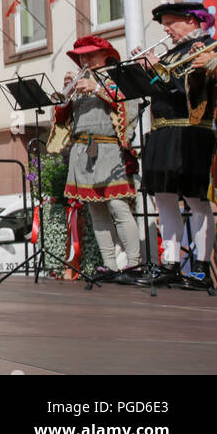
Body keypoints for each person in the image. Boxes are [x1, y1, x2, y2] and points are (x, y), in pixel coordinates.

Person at [136, 2, 217, 289]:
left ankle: (200, 268)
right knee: (164, 198)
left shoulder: (210, 47)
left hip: (192, 132)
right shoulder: (171, 53)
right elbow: (159, 90)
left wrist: (158, 67)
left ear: (193, 22)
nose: (166, 29)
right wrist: (146, 72)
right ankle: (169, 263)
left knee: (196, 200)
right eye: (165, 24)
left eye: (171, 23)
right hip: (162, 132)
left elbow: (188, 89)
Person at [51, 35, 141, 284]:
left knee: (118, 207)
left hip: (109, 149)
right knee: (96, 210)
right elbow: (62, 121)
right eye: (82, 56)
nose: (85, 60)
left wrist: (98, 89)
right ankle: (109, 265)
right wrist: (65, 95)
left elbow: (129, 110)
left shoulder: (118, 77)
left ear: (106, 55)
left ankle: (134, 264)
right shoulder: (81, 81)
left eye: (90, 55)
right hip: (82, 151)